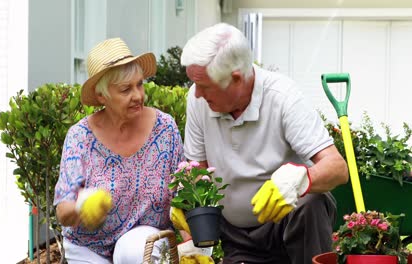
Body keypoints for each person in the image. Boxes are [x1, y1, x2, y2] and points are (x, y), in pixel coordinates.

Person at [175, 23, 349, 263]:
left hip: (287, 228)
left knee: (312, 201)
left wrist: (301, 181)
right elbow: (197, 172)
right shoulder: (198, 101)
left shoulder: (283, 97)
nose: (197, 94)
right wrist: (190, 234)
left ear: (235, 78)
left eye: (204, 86)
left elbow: (337, 169)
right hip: (234, 236)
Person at [54, 38, 184, 264]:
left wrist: (193, 248)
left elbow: (181, 193)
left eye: (140, 84)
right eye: (126, 89)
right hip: (89, 248)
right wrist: (81, 208)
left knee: (139, 247)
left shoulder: (165, 129)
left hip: (144, 245)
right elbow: (63, 211)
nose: (138, 95)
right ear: (102, 96)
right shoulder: (80, 137)